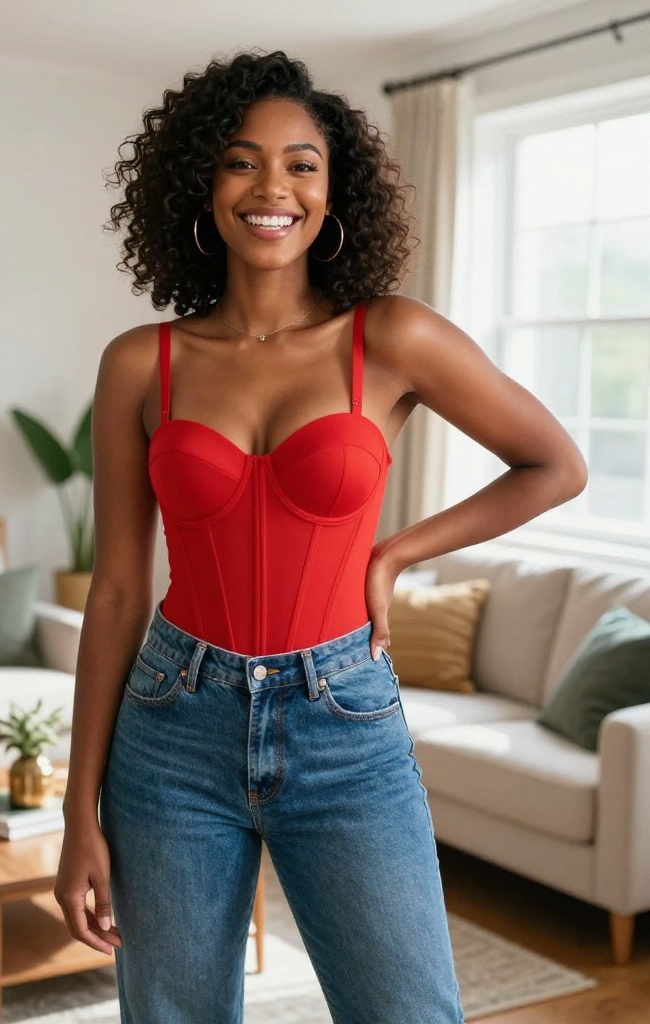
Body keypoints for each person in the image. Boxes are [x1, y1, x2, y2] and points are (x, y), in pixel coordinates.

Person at [54, 49, 588, 1024]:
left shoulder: (392, 338)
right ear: (199, 186)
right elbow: (120, 590)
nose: (273, 188)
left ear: (334, 188)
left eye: (301, 163)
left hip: (342, 717)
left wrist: (396, 551)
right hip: (172, 722)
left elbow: (555, 464)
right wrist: (75, 808)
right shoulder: (143, 362)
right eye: (241, 161)